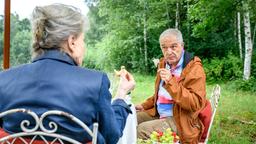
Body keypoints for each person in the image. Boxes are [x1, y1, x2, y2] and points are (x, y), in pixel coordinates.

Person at [0, 3, 135, 144]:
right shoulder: (95, 81)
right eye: (83, 40)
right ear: (72, 42)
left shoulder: (3, 79)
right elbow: (111, 137)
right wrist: (120, 96)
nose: (84, 46)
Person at [136, 28, 207, 143]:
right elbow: (161, 94)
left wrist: (170, 81)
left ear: (182, 45)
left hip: (181, 120)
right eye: (164, 47)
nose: (169, 52)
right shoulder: (163, 63)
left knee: (141, 130)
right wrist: (144, 105)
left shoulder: (194, 69)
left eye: (173, 46)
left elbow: (195, 103)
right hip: (159, 113)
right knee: (130, 118)